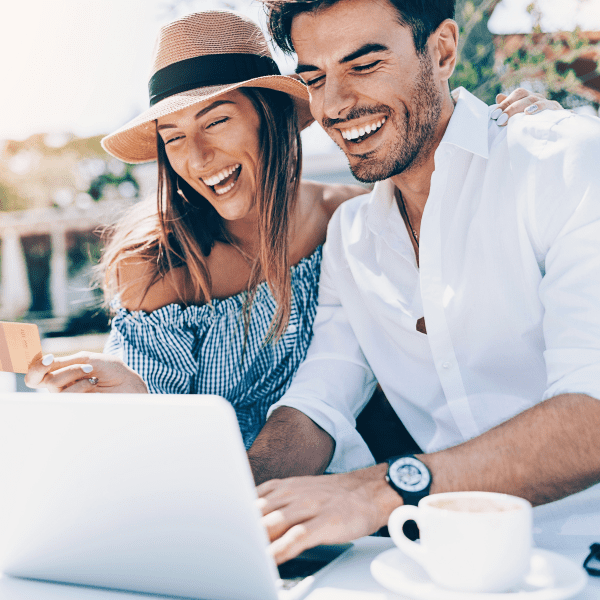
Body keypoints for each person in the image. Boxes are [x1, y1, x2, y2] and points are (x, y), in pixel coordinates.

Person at [26, 10, 558, 451]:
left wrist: (519, 128)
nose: (199, 157)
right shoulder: (157, 258)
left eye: (216, 122)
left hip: (336, 504)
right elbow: (157, 425)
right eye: (174, 137)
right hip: (200, 496)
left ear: (271, 115)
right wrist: (128, 392)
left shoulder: (357, 226)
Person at [242, 0, 600, 565]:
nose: (334, 105)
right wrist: (233, 505)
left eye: (364, 65)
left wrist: (380, 490)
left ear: (442, 51)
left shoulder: (565, 163)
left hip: (585, 555)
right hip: (437, 566)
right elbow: (320, 400)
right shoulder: (351, 238)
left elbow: (594, 411)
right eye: (315, 78)